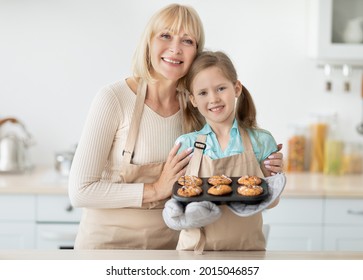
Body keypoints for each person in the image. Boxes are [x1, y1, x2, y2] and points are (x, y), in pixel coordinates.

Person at [68, 4, 284, 250]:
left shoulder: (199, 107)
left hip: (175, 248)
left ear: (196, 52)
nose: (175, 48)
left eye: (187, 40)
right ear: (149, 42)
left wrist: (265, 173)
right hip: (108, 246)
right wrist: (156, 189)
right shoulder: (114, 99)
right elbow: (80, 191)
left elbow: (223, 182)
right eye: (166, 35)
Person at [163, 51, 286, 253]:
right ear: (193, 99)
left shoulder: (261, 141)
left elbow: (272, 203)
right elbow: (176, 200)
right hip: (194, 254)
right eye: (203, 93)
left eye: (221, 88)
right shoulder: (186, 145)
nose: (214, 99)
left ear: (236, 88)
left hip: (247, 254)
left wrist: (272, 179)